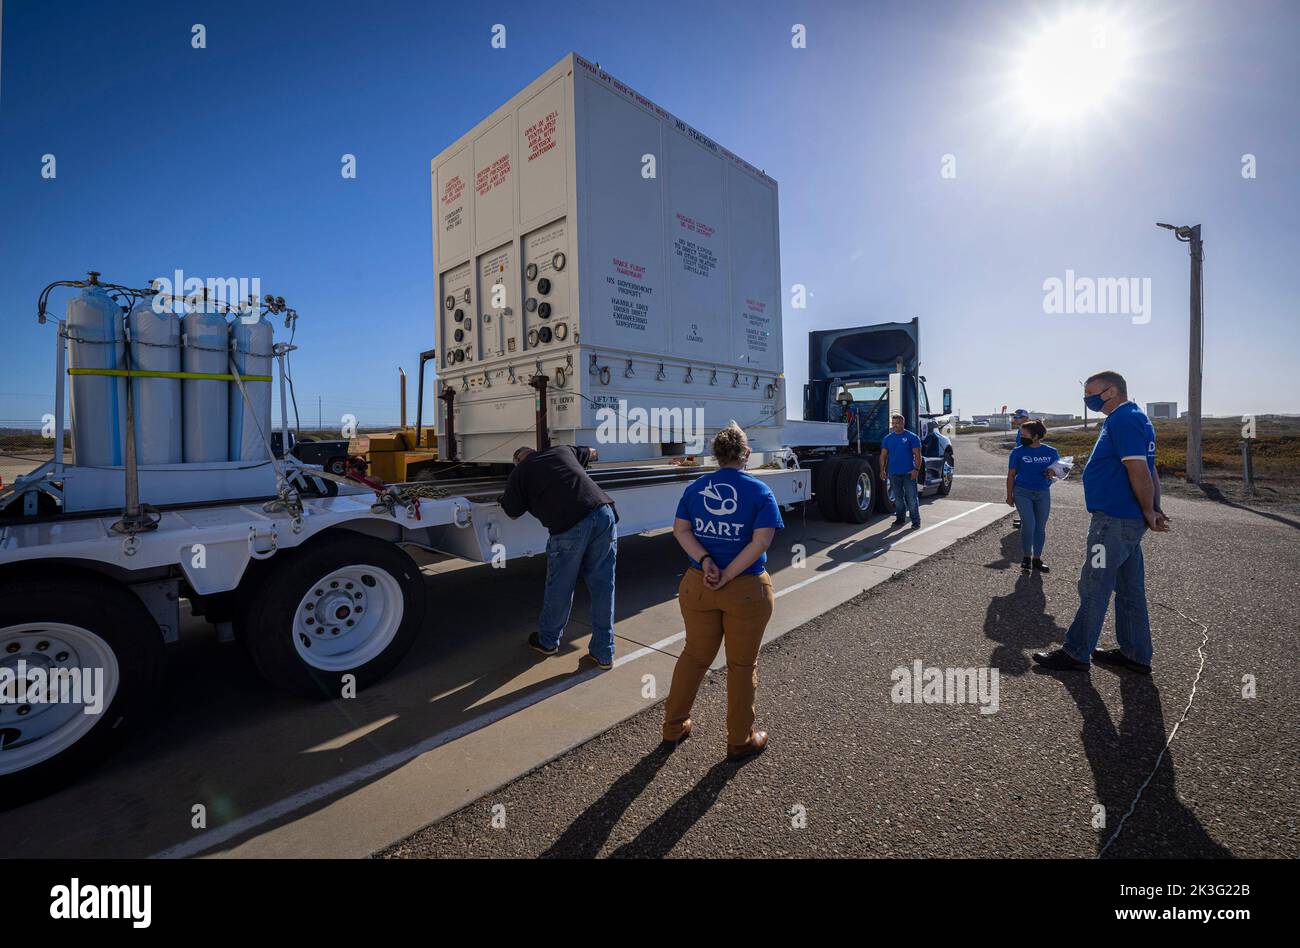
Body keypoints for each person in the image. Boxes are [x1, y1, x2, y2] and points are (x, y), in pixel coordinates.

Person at [1034, 371, 1169, 675]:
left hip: (1114, 520)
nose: (1086, 399)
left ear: (1110, 392)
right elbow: (1150, 468)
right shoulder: (1135, 418)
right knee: (1130, 588)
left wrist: (1150, 509)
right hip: (1126, 519)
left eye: (1090, 393)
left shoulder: (1123, 419)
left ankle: (1076, 652)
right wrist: (1152, 508)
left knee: (1094, 584)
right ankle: (1135, 653)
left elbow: (1139, 469)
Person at [662, 422, 782, 762]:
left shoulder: (696, 488)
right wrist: (729, 572)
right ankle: (739, 740)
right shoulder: (760, 492)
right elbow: (761, 541)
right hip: (745, 589)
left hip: (699, 584)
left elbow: (680, 530)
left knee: (694, 657)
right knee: (742, 665)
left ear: (716, 456)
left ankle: (673, 727)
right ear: (745, 454)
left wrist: (706, 560)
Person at [501, 444, 618, 669]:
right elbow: (593, 452)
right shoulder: (560, 450)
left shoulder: (520, 472)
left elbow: (512, 512)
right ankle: (604, 653)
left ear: (518, 461)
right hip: (603, 513)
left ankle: (548, 641)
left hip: (569, 527)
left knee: (560, 586)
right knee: (604, 586)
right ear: (536, 451)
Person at [1005, 420, 1059, 572]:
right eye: (1021, 434)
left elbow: (1059, 472)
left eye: (1024, 434)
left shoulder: (1051, 452)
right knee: (1029, 525)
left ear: (1036, 436)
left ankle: (1037, 559)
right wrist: (1009, 495)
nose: (1021, 437)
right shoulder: (1018, 452)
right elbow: (1011, 475)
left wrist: (1053, 473)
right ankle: (1026, 557)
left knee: (1040, 527)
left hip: (1042, 493)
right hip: (1022, 492)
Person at [880, 413, 922, 529]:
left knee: (912, 498)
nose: (895, 426)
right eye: (893, 423)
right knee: (898, 499)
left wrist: (916, 469)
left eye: (897, 423)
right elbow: (883, 456)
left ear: (903, 423)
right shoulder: (887, 438)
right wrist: (882, 470)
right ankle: (900, 519)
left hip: (909, 473)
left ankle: (915, 521)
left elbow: (918, 455)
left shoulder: (912, 437)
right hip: (893, 473)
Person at [1009, 409, 1032, 527]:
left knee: (1023, 491)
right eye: (1015, 417)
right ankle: (1024, 519)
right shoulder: (1021, 429)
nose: (1016, 418)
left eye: (1018, 417)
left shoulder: (1028, 430)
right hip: (1020, 460)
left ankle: (1027, 521)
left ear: (1025, 418)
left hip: (1025, 461)